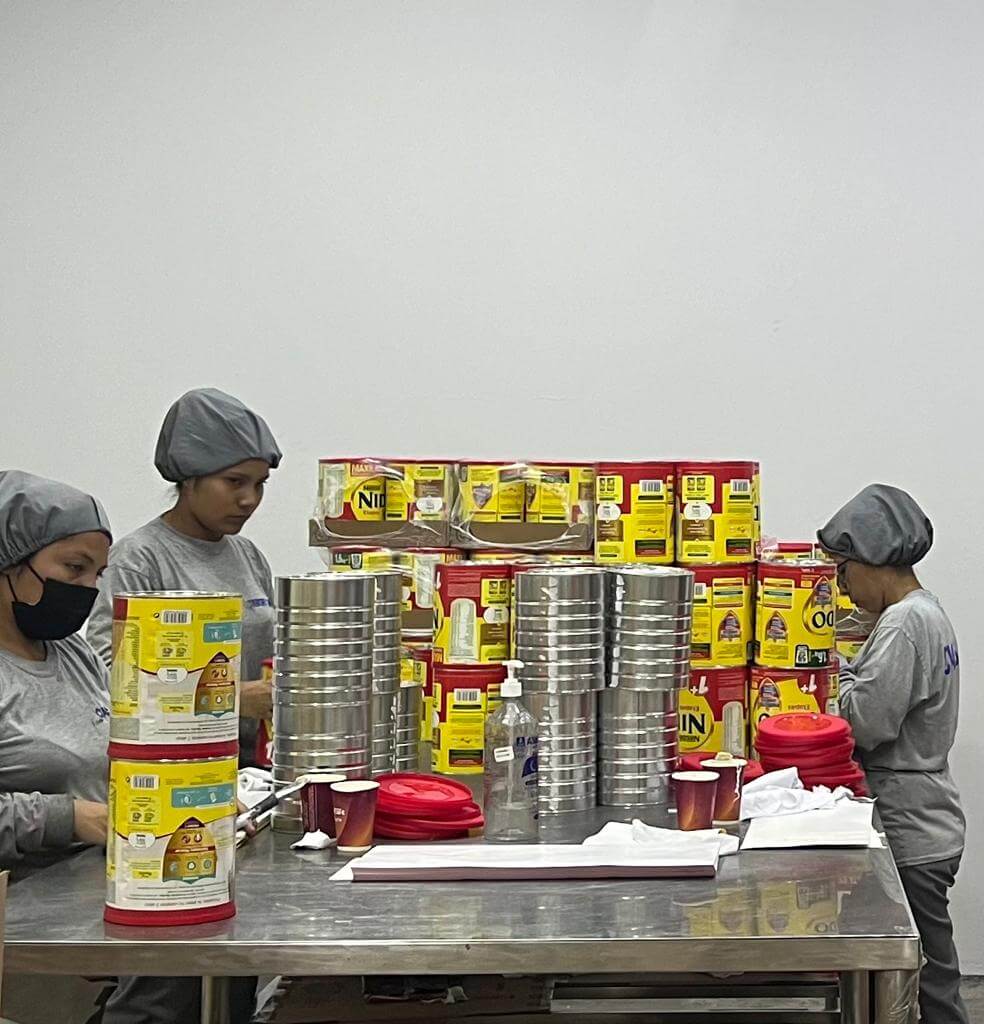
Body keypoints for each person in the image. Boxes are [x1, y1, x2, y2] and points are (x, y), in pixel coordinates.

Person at [818, 483, 967, 1024]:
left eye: (844, 571)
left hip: (911, 830)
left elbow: (866, 723)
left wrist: (829, 671)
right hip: (928, 820)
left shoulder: (905, 622)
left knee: (926, 980)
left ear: (872, 559)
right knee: (925, 971)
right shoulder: (928, 612)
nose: (842, 587)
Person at [88, 387, 282, 764]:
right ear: (189, 478)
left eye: (259, 484)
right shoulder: (138, 560)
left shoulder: (248, 556)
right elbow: (110, 678)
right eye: (234, 482)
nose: (249, 499)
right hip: (174, 769)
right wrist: (232, 699)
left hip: (251, 766)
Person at [0, 470, 112, 871]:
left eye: (98, 574)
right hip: (23, 896)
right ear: (9, 561)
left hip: (88, 880)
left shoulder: (74, 653)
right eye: (74, 567)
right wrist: (66, 818)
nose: (89, 588)